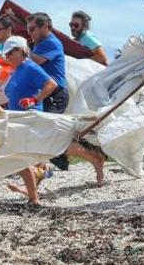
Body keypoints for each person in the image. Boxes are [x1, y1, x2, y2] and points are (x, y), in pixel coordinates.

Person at [28, 12, 102, 175]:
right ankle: (42, 167)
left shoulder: (51, 43)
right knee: (43, 132)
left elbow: (37, 61)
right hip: (46, 93)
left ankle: (93, 156)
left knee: (51, 133)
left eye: (33, 28)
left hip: (56, 94)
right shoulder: (39, 44)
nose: (30, 32)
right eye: (28, 29)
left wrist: (22, 52)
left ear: (45, 27)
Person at [0, 36, 59, 204]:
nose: (7, 56)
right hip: (18, 119)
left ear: (21, 50)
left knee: (20, 157)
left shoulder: (30, 67)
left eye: (10, 52)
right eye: (6, 54)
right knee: (20, 158)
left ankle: (34, 197)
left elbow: (51, 84)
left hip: (28, 119)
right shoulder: (17, 70)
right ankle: (35, 187)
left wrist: (35, 99)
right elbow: (14, 96)